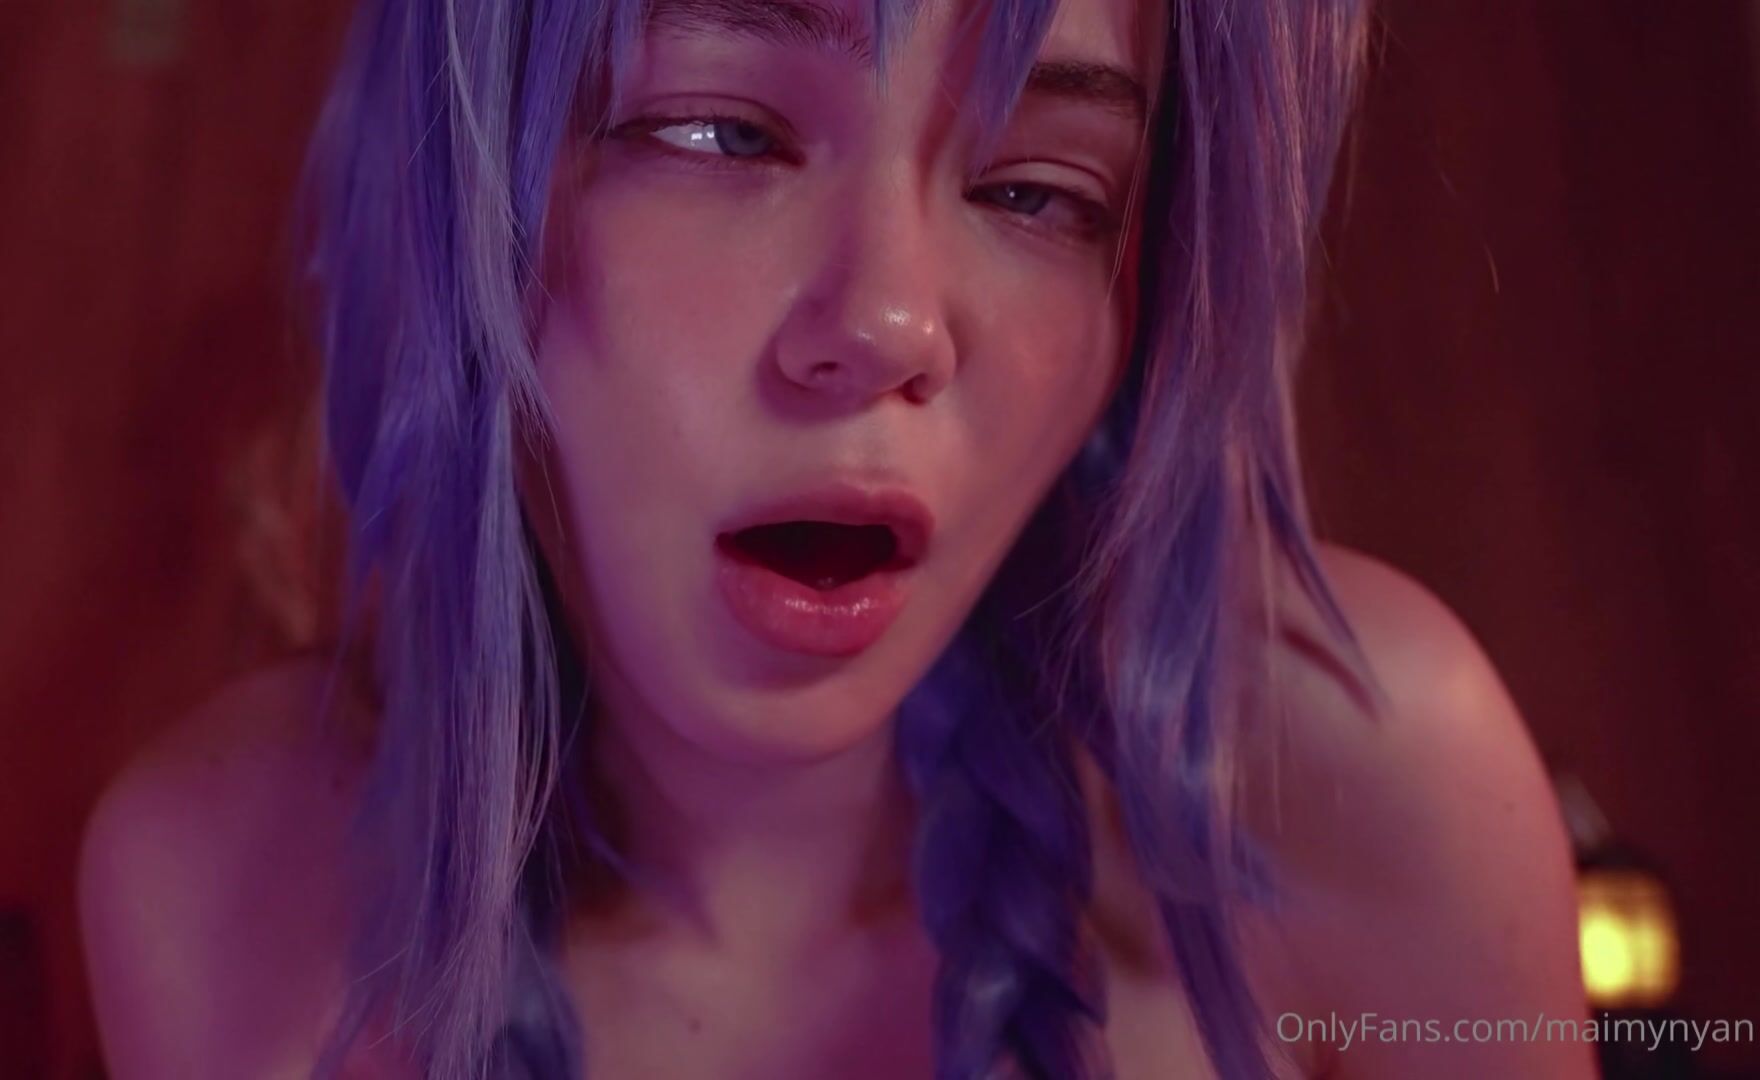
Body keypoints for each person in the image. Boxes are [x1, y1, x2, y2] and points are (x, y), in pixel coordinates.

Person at [76, 0, 1595, 1077]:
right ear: (462, 197)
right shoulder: (224, 885)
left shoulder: (1350, 787)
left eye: (1038, 192)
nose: (889, 324)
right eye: (721, 132)